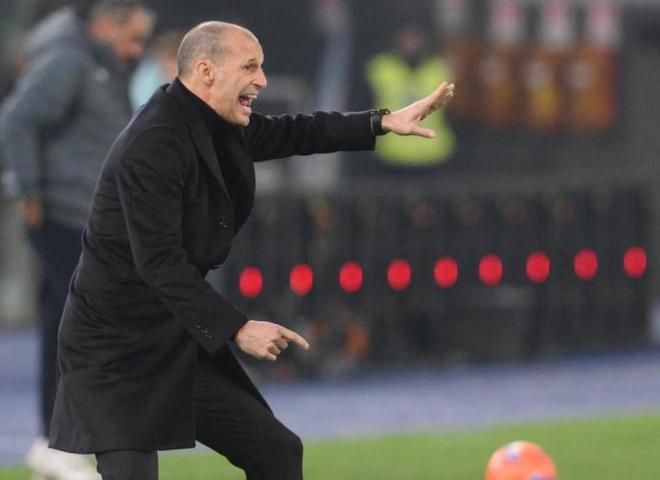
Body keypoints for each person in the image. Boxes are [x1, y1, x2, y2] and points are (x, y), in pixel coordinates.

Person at [47, 21, 454, 479]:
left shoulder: (214, 121)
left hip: (173, 332)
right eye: (249, 67)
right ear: (206, 71)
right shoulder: (153, 142)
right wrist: (237, 328)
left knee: (277, 451)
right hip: (116, 347)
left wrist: (381, 121)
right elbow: (158, 263)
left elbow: (297, 132)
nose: (261, 80)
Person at [0, 1, 154, 479]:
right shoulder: (70, 62)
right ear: (106, 24)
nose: (138, 48)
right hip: (64, 216)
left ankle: (58, 441)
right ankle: (59, 440)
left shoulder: (102, 69)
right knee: (83, 325)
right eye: (134, 36)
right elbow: (17, 119)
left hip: (88, 219)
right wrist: (28, 190)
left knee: (71, 323)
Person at [366, 25, 456, 170]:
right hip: (391, 153)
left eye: (415, 38)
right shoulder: (381, 68)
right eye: (406, 38)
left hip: (433, 152)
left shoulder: (439, 69)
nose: (411, 43)